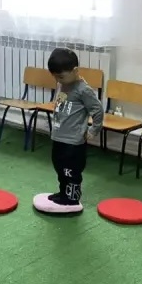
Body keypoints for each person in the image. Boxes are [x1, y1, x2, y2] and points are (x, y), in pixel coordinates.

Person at [41, 47, 103, 212]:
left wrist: (93, 130)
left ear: (75, 71)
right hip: (59, 137)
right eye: (55, 77)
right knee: (60, 168)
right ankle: (63, 193)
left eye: (61, 76)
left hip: (73, 141)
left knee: (71, 171)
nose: (58, 80)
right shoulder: (64, 84)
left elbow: (97, 110)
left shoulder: (83, 90)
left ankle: (72, 198)